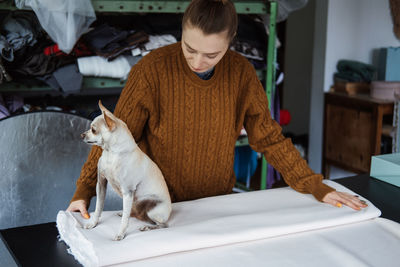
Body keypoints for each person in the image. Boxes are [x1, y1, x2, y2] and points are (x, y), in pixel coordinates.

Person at [67, 0, 366, 218]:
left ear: (230, 42)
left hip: (215, 205)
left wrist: (315, 185)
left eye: (212, 54)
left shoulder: (242, 73)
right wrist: (84, 190)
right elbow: (112, 138)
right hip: (152, 204)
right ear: (182, 31)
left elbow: (269, 138)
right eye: (189, 49)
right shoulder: (151, 70)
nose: (198, 63)